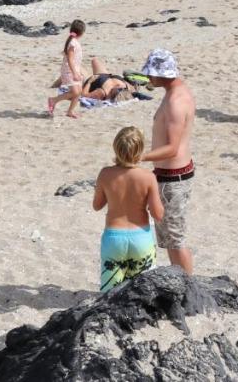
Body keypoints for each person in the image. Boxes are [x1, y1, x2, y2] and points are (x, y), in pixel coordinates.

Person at [137, 49, 196, 273]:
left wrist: (140, 157)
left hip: (173, 179)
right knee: (171, 239)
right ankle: (182, 283)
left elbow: (172, 148)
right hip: (171, 176)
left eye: (151, 73)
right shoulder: (176, 92)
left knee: (176, 240)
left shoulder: (175, 102)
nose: (148, 78)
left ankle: (189, 286)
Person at [93, 126, 163, 291]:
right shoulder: (148, 177)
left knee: (110, 292)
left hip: (114, 238)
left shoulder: (105, 173)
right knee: (143, 291)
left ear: (116, 148)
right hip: (140, 237)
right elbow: (158, 214)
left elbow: (97, 205)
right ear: (140, 151)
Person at [48, 19, 86, 119]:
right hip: (69, 71)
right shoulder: (72, 43)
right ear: (82, 32)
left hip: (74, 70)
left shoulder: (74, 41)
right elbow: (70, 59)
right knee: (75, 92)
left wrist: (78, 72)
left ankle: (70, 111)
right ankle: (53, 100)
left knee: (79, 92)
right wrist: (75, 73)